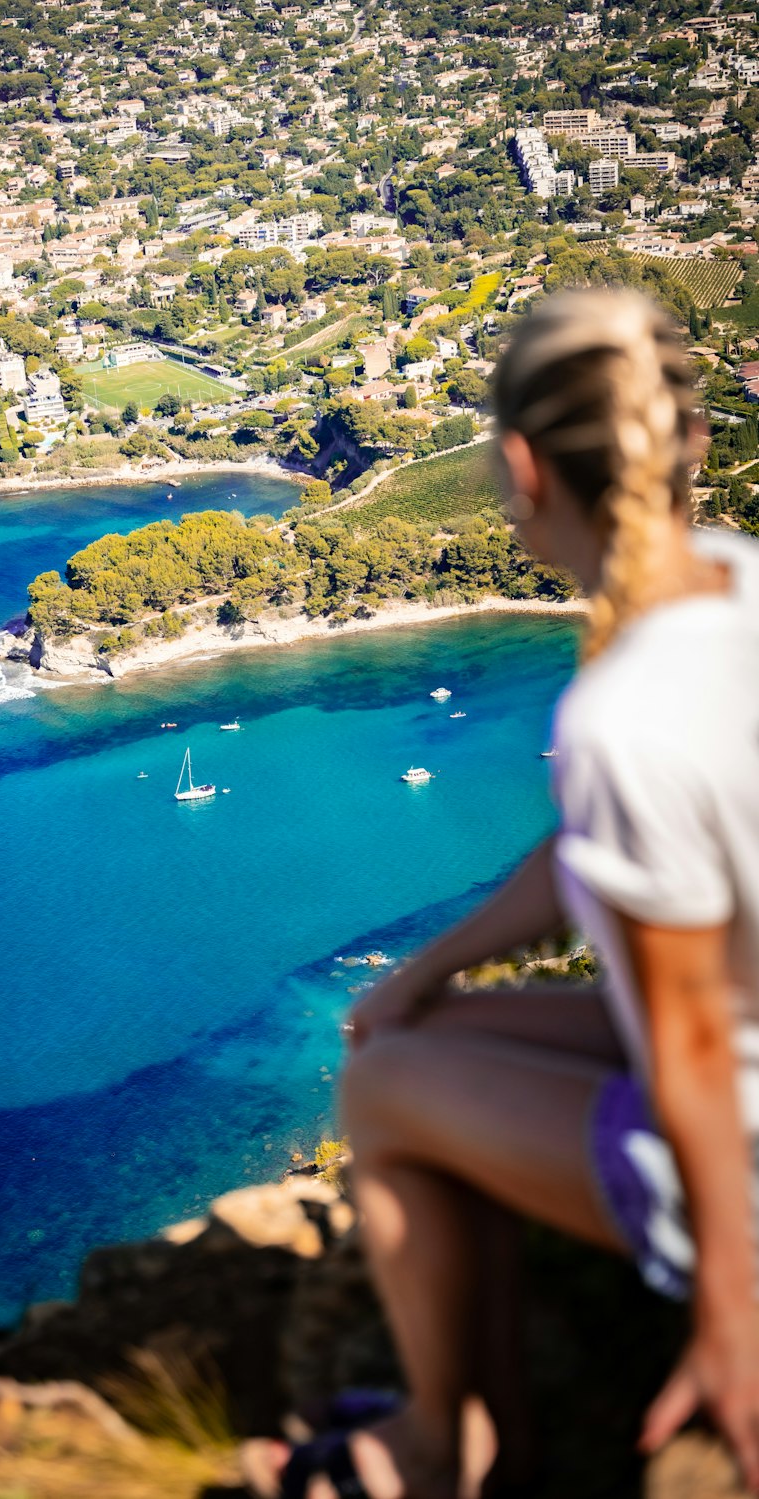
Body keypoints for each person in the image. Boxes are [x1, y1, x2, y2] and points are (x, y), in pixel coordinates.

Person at [244, 288, 759, 1499]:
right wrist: (420, 974)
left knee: (375, 1083)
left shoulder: (622, 711)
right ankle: (482, 1433)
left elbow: (684, 1036)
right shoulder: (738, 580)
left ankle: (444, 1448)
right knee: (409, 1029)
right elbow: (593, 853)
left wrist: (732, 1314)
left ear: (522, 466)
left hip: (736, 1144)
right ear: (686, 444)